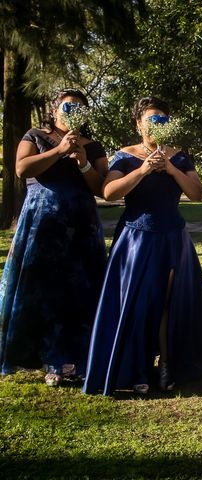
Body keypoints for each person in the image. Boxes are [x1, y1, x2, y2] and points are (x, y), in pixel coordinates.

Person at [83, 97, 202, 395]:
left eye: (162, 119)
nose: (157, 124)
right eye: (151, 119)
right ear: (138, 123)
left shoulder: (179, 157)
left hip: (173, 237)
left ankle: (167, 365)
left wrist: (170, 168)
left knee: (169, 303)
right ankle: (135, 368)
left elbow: (195, 194)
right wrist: (142, 170)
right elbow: (108, 191)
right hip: (136, 239)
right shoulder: (125, 156)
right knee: (138, 303)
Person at [0, 89, 107, 386]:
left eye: (79, 107)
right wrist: (59, 151)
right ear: (55, 109)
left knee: (80, 290)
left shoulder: (93, 146)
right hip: (42, 223)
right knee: (44, 288)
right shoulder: (35, 135)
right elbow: (22, 169)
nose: (72, 111)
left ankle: (76, 357)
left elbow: (102, 188)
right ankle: (47, 357)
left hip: (81, 227)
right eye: (67, 106)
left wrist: (83, 162)